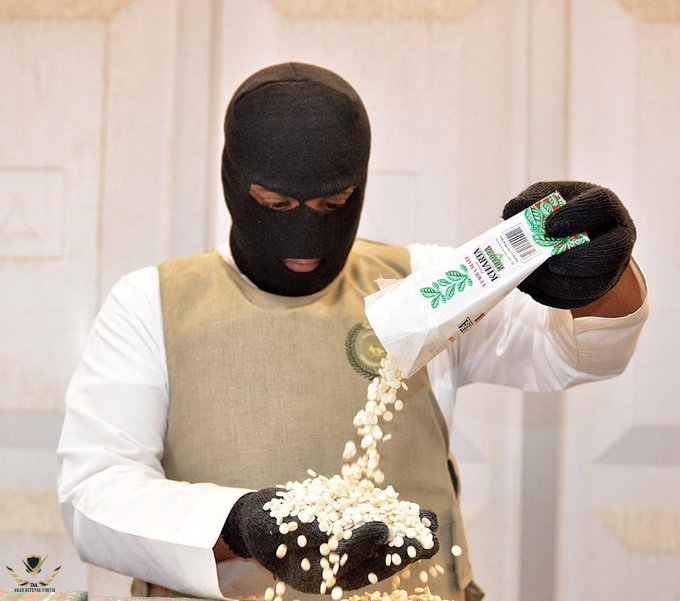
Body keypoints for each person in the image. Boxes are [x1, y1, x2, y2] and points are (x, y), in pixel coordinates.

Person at [57, 63, 648, 601]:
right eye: (277, 205)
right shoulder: (151, 303)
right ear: (233, 182)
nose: (306, 235)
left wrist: (602, 267)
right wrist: (240, 525)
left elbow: (575, 353)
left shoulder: (423, 286)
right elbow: (95, 494)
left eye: (334, 202)